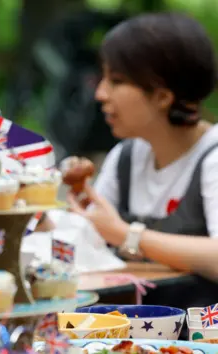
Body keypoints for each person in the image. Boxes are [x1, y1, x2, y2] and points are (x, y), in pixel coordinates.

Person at [63, 13, 218, 309]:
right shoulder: (126, 157)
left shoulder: (213, 156)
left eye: (116, 81)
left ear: (162, 96)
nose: (100, 94)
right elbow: (86, 240)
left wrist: (126, 235)